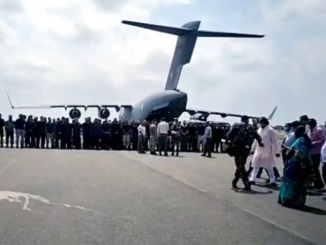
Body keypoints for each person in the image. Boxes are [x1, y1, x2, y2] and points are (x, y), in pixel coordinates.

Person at [278, 126, 313, 208]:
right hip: (302, 165)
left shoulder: (300, 141)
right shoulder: (306, 141)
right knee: (299, 184)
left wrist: (287, 149)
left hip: (294, 165)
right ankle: (298, 200)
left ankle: (287, 199)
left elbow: (297, 153)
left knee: (289, 182)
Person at [226, 116, 263, 191]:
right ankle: (235, 181)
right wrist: (260, 143)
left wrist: (228, 142)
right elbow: (258, 136)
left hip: (237, 148)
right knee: (241, 165)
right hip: (246, 149)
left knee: (240, 166)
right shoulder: (251, 127)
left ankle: (246, 183)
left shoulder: (236, 125)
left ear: (242, 119)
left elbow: (228, 135)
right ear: (247, 120)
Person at [249, 117, 280, 186]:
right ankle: (252, 179)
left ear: (265, 122)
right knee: (256, 165)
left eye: (261, 122)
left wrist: (276, 152)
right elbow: (255, 141)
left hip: (267, 151)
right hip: (258, 150)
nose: (260, 124)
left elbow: (274, 142)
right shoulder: (259, 130)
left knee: (269, 166)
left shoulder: (270, 130)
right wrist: (252, 149)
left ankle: (272, 180)